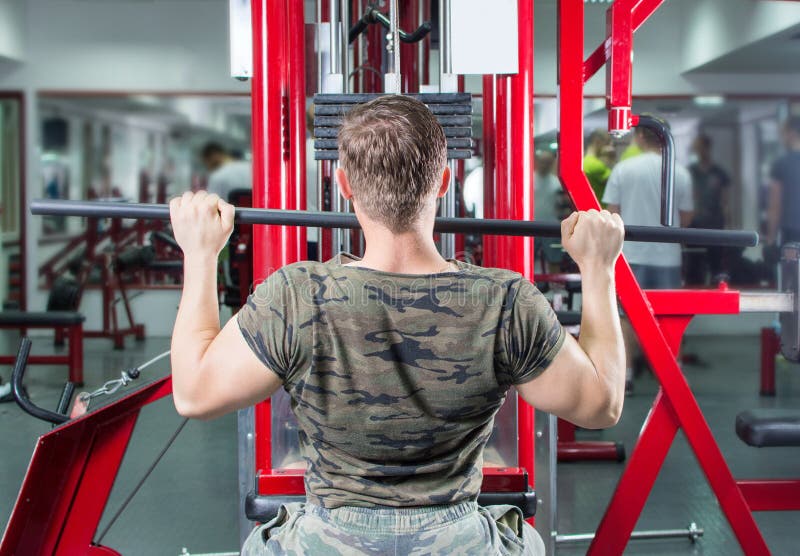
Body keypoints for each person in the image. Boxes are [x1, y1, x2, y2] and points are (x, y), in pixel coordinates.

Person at [168, 96, 625, 555]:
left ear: (344, 186)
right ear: (444, 181)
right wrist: (599, 268)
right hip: (458, 540)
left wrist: (201, 253)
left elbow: (193, 394)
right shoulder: (504, 299)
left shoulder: (297, 294)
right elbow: (600, 406)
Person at [602, 117, 693, 392]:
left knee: (626, 316)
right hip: (668, 258)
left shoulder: (624, 169)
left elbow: (611, 214)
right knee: (667, 318)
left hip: (630, 256)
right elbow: (687, 217)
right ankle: (667, 378)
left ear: (640, 137)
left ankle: (626, 376)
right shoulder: (681, 172)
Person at [687, 134, 731, 283]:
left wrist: (728, 226)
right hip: (694, 225)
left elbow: (726, 202)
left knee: (716, 267)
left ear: (707, 148)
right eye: (697, 148)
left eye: (701, 148)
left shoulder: (719, 173)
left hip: (715, 225)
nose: (699, 151)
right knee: (694, 267)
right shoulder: (690, 172)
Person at [767, 116, 800, 245]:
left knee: (792, 264)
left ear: (791, 133)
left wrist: (771, 238)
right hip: (791, 228)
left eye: (783, 134)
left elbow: (775, 205)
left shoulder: (781, 164)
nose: (782, 138)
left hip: (791, 231)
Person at [534, 150, 569, 272]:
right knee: (527, 259)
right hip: (530, 226)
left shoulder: (556, 183)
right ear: (537, 162)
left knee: (554, 260)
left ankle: (556, 287)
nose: (545, 165)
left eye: (548, 162)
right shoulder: (528, 180)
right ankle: (523, 287)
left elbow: (564, 204)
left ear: (551, 163)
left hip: (551, 226)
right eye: (542, 162)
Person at [583, 129, 612, 202]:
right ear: (597, 141)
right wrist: (610, 159)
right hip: (601, 208)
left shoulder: (584, 161)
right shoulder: (595, 165)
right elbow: (615, 182)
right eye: (607, 143)